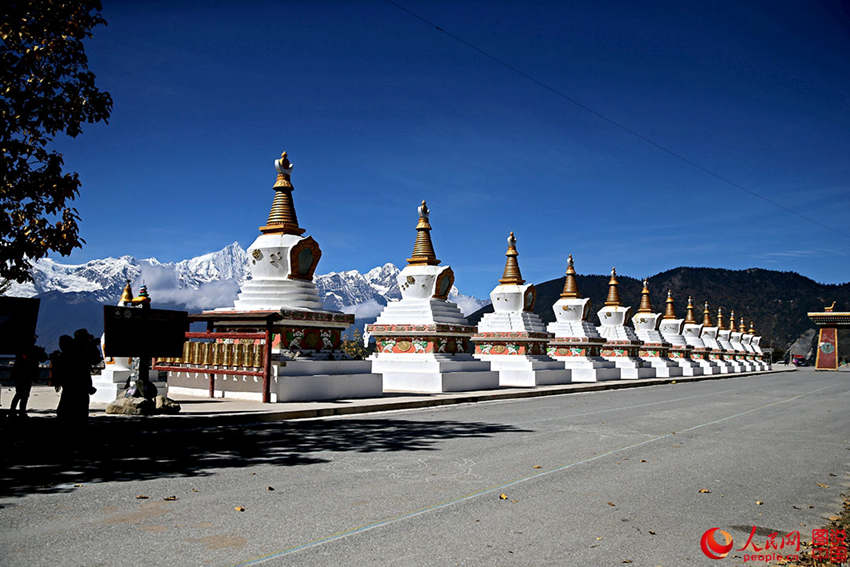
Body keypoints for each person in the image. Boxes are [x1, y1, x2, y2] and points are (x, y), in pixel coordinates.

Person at [10, 337, 45, 418]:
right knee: (24, 394)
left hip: (20, 375)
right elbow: (43, 358)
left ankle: (14, 411)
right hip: (28, 375)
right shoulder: (34, 350)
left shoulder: (22, 350)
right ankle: (21, 411)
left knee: (19, 394)